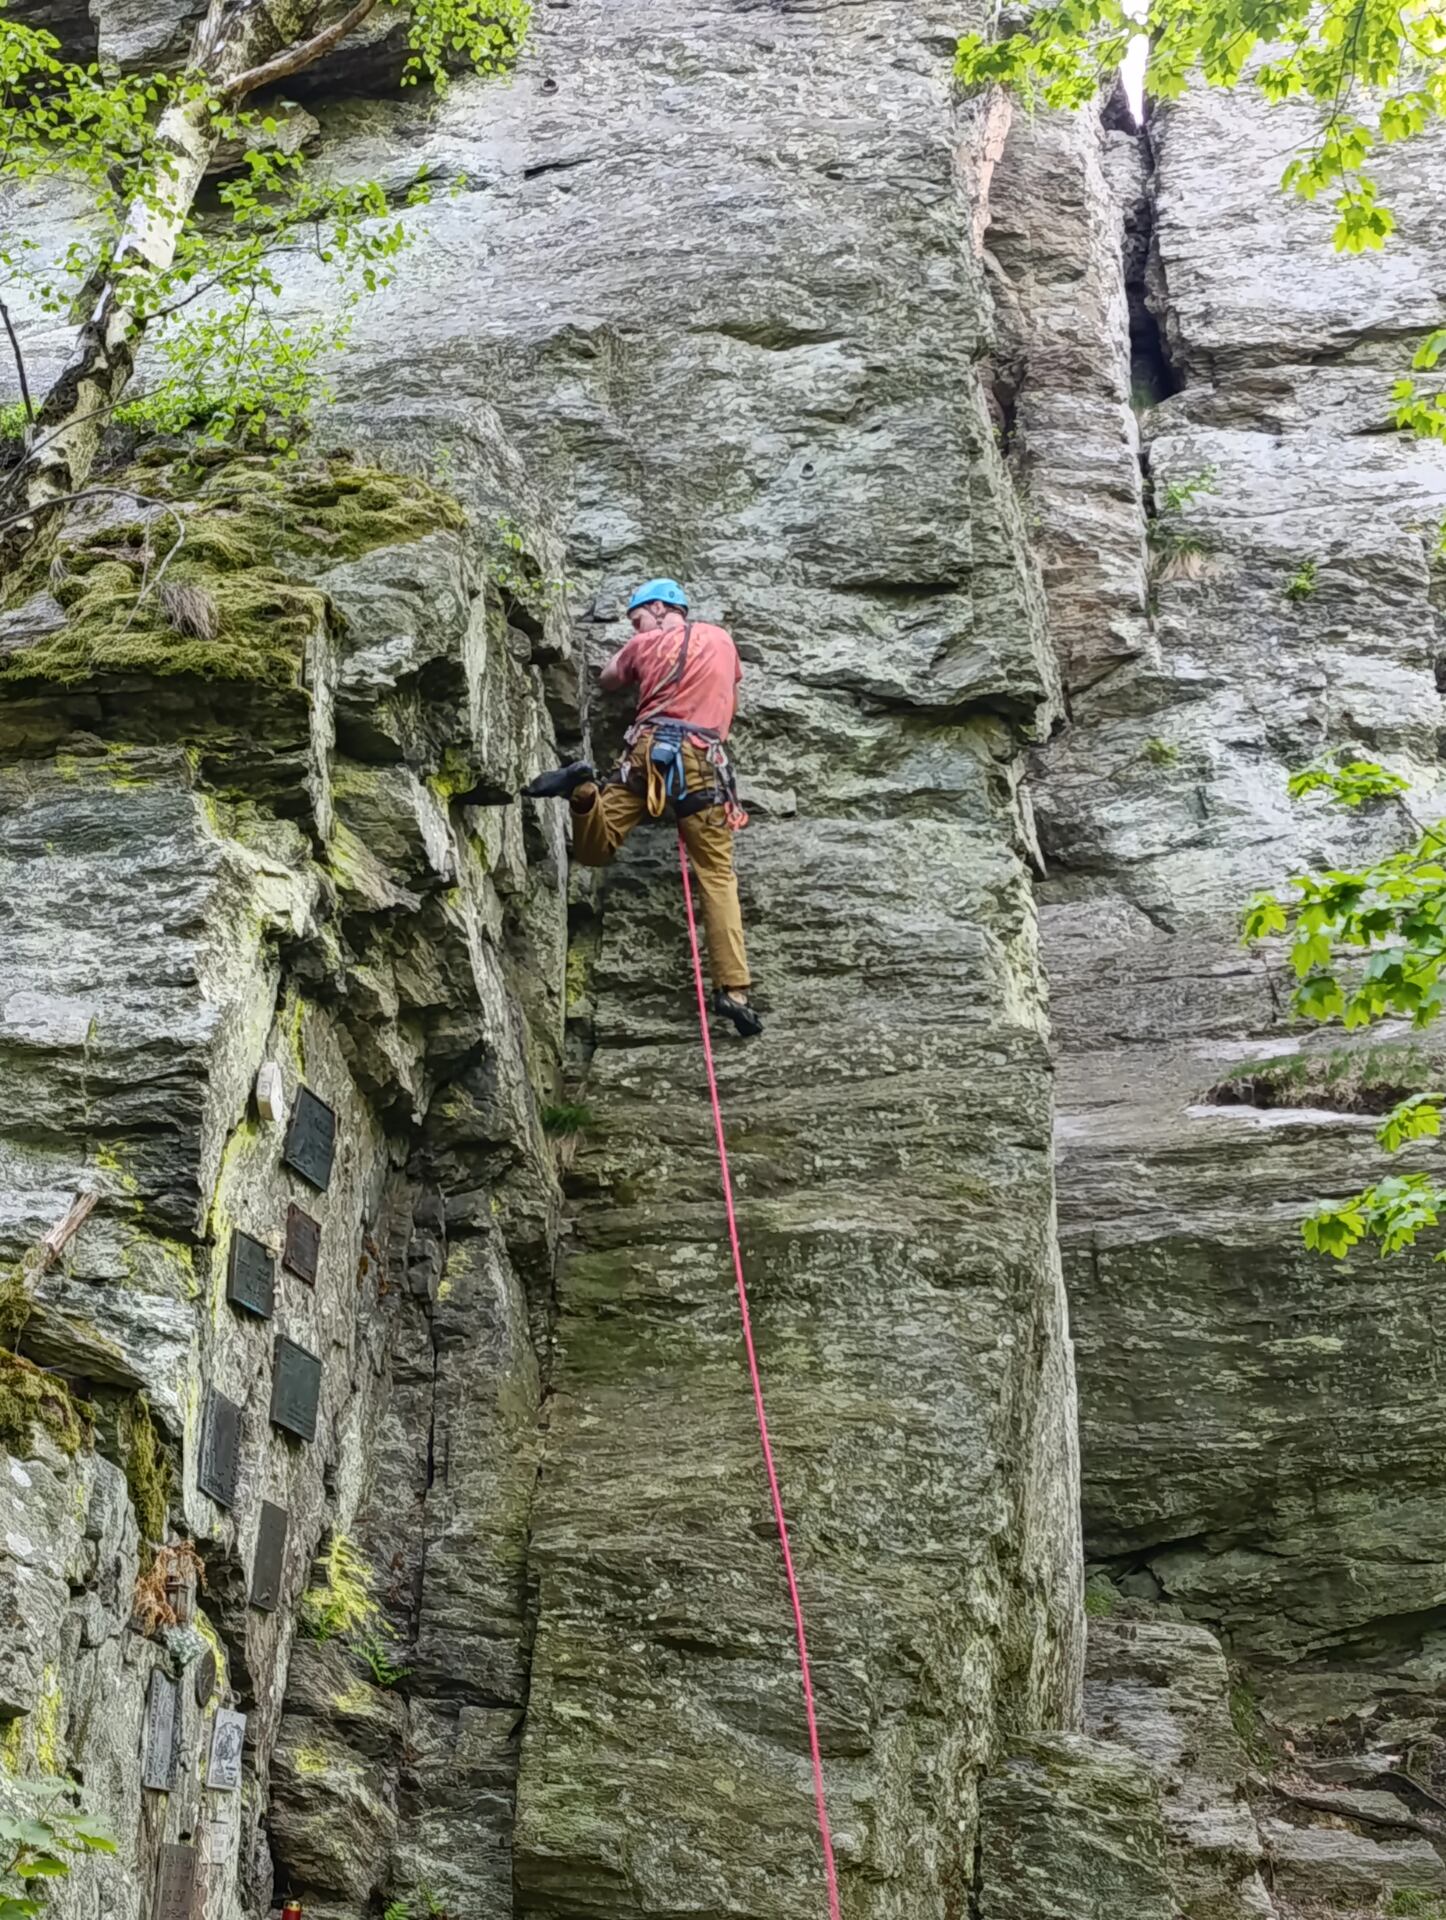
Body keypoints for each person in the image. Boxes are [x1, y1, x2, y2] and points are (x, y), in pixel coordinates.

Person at [523, 578, 762, 1037]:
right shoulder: (721, 639)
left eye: (637, 620)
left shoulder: (644, 644)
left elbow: (609, 678)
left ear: (658, 608)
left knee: (593, 850)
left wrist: (639, 651)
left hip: (647, 754)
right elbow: (730, 686)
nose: (635, 629)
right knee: (716, 874)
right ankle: (733, 992)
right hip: (702, 759)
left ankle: (583, 790)